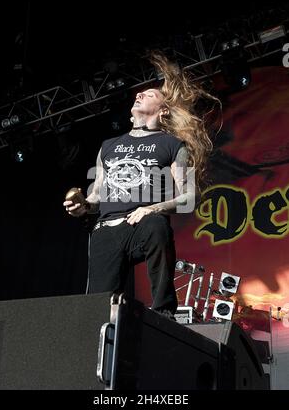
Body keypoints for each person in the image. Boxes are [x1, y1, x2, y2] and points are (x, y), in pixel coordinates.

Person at [63, 52, 218, 319]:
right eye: (139, 94)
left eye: (148, 94)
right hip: (107, 229)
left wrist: (153, 209)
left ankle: (164, 312)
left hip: (142, 223)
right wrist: (83, 206)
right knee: (97, 307)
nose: (139, 95)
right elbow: (98, 192)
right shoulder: (108, 146)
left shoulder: (172, 144)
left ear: (163, 109)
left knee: (158, 227)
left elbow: (190, 196)